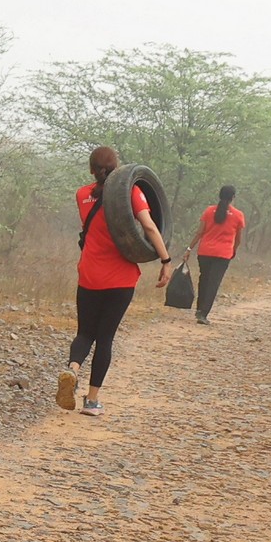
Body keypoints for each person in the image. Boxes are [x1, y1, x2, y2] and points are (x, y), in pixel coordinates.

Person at [58, 147, 166, 418]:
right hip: (120, 278)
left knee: (85, 333)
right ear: (117, 168)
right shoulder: (131, 192)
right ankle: (92, 401)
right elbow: (149, 226)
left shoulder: (82, 195)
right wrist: (165, 260)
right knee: (105, 338)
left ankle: (72, 369)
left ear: (91, 170)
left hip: (89, 275)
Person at [190, 184, 245, 323]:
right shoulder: (238, 215)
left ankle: (199, 309)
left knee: (204, 280)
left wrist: (189, 249)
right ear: (233, 197)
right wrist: (233, 250)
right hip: (223, 254)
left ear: (219, 195)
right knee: (213, 283)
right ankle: (203, 314)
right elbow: (238, 239)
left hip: (204, 252)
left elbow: (199, 232)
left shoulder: (209, 211)